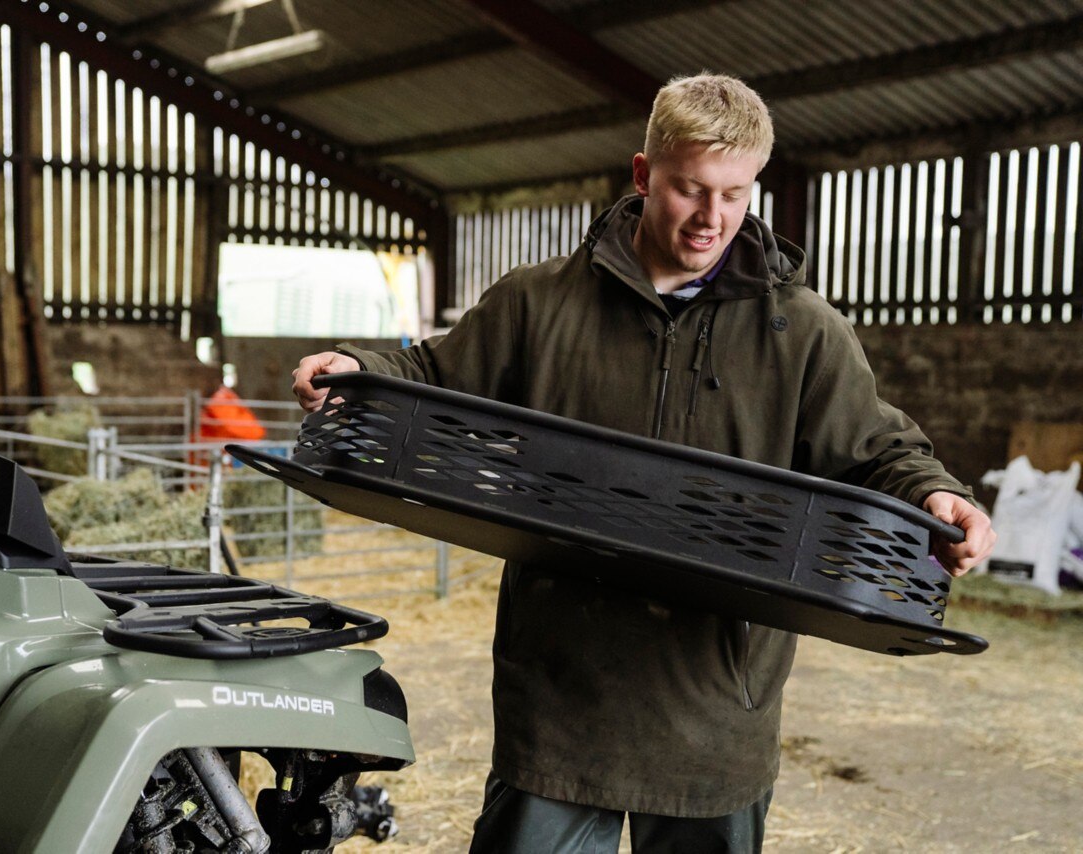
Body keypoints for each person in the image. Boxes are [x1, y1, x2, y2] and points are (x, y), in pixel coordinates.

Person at [291, 74, 996, 853]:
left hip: (718, 701)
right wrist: (356, 369)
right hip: (561, 693)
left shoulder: (801, 332)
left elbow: (876, 449)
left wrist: (937, 494)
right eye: (690, 189)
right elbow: (432, 373)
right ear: (643, 175)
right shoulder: (540, 303)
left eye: (734, 194)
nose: (712, 217)